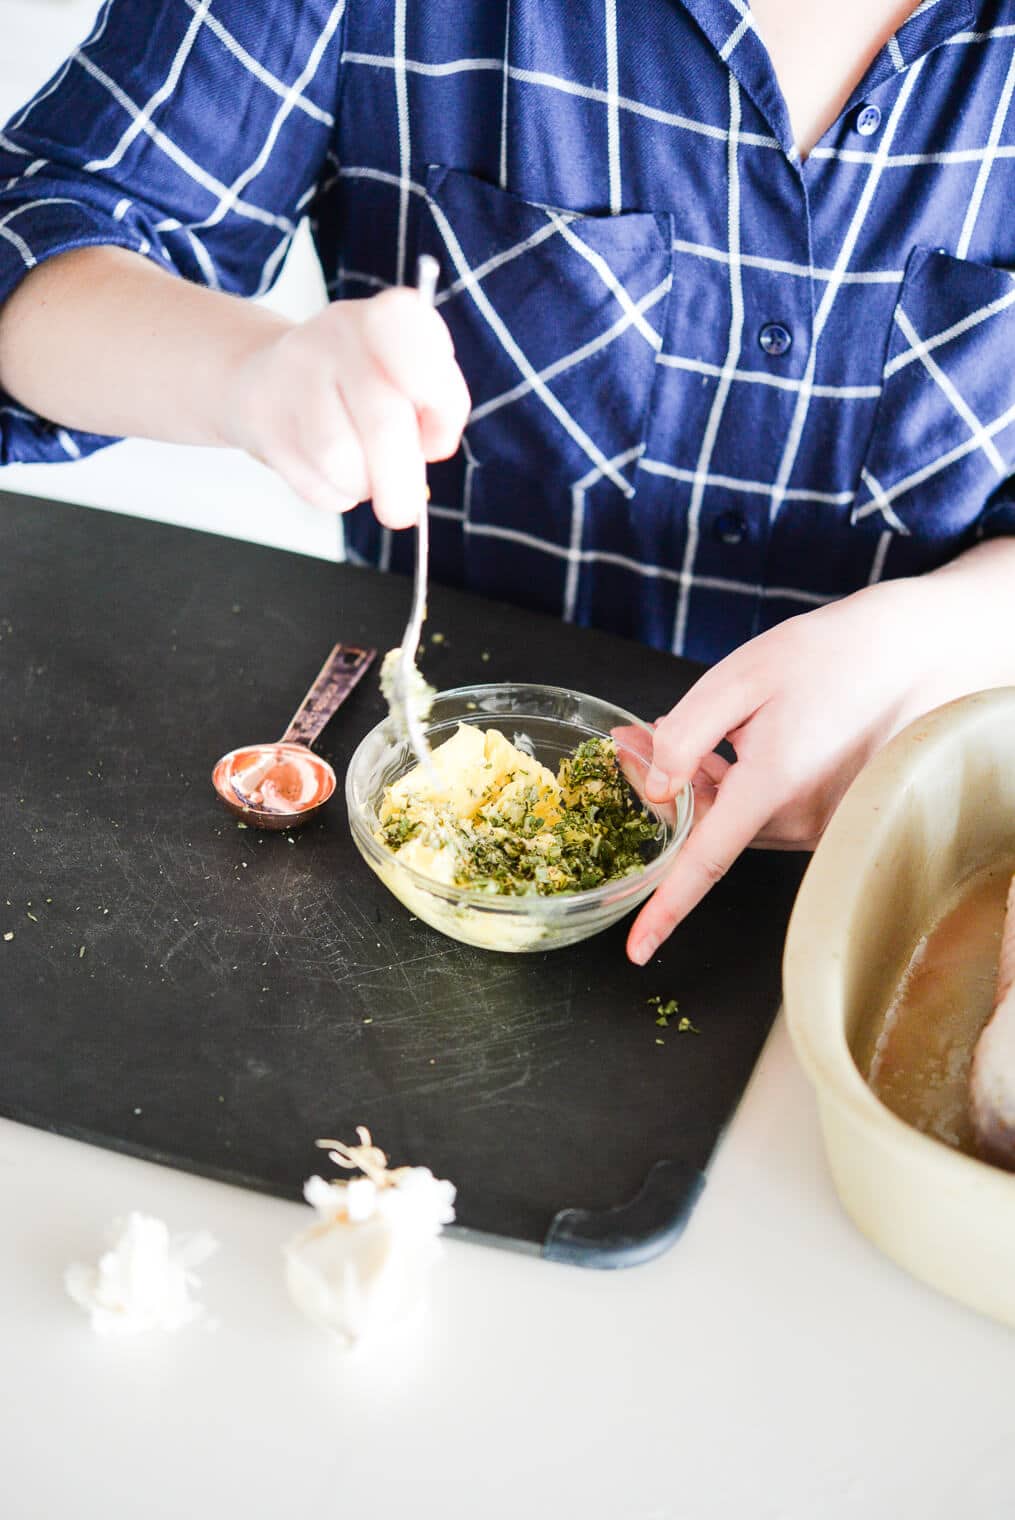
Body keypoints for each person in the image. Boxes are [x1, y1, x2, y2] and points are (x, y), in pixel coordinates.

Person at [1, 0, 1013, 966]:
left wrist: (948, 625)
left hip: (919, 860)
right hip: (418, 843)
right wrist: (244, 372)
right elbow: (48, 227)